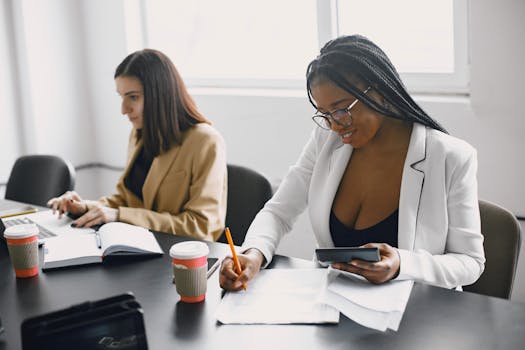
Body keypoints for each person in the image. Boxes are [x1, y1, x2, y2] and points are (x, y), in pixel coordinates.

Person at [220, 35, 485, 290]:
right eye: (324, 114)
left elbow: (470, 262)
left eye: (341, 109)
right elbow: (278, 212)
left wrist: (402, 264)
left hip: (416, 316)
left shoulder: (451, 157)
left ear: (379, 90)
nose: (335, 125)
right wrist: (253, 254)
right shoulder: (326, 140)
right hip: (334, 308)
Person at [47, 49, 227, 241]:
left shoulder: (205, 142)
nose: (124, 109)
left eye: (133, 97)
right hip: (144, 246)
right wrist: (85, 207)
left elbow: (201, 226)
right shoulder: (139, 134)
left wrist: (119, 216)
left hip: (182, 257)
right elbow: (127, 199)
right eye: (121, 97)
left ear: (161, 95)